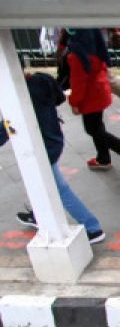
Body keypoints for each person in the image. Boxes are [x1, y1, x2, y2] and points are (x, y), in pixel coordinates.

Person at [1, 72, 105, 243]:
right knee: (41, 182)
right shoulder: (42, 79)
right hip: (54, 138)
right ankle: (38, 215)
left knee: (60, 189)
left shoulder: (18, 95)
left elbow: (7, 125)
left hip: (41, 148)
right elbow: (59, 98)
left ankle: (92, 228)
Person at [63, 28, 120, 172]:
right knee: (97, 126)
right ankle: (103, 158)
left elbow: (78, 82)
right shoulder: (96, 48)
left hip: (90, 97)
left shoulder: (77, 55)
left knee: (92, 129)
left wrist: (74, 102)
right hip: (101, 90)